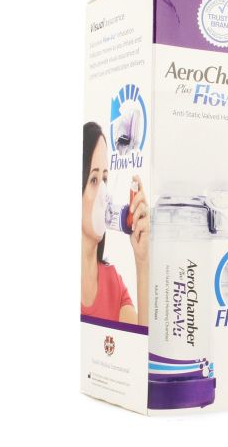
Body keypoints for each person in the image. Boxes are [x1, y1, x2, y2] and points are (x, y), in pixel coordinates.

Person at [81, 122, 149, 325]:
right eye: (93, 180)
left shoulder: (113, 284)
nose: (104, 194)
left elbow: (140, 341)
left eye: (104, 179)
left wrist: (142, 261)